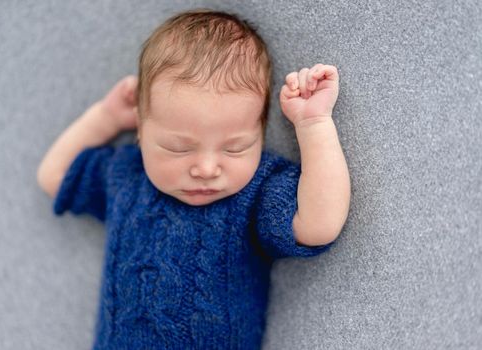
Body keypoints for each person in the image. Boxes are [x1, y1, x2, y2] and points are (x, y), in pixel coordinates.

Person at [37, 8, 350, 350]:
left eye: (235, 148)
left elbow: (320, 224)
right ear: (141, 129)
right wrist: (105, 118)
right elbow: (53, 176)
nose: (206, 168)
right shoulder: (125, 175)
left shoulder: (256, 192)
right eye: (177, 148)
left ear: (260, 134)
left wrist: (313, 125)